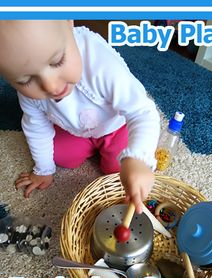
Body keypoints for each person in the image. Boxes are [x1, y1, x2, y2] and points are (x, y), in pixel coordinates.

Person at [0, 20, 160, 213]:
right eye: (26, 80)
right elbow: (36, 126)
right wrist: (44, 170)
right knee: (60, 156)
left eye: (57, 61)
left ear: (68, 24)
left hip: (116, 126)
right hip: (74, 127)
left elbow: (142, 111)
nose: (51, 86)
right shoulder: (29, 92)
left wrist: (138, 159)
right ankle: (89, 146)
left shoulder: (100, 63)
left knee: (121, 173)